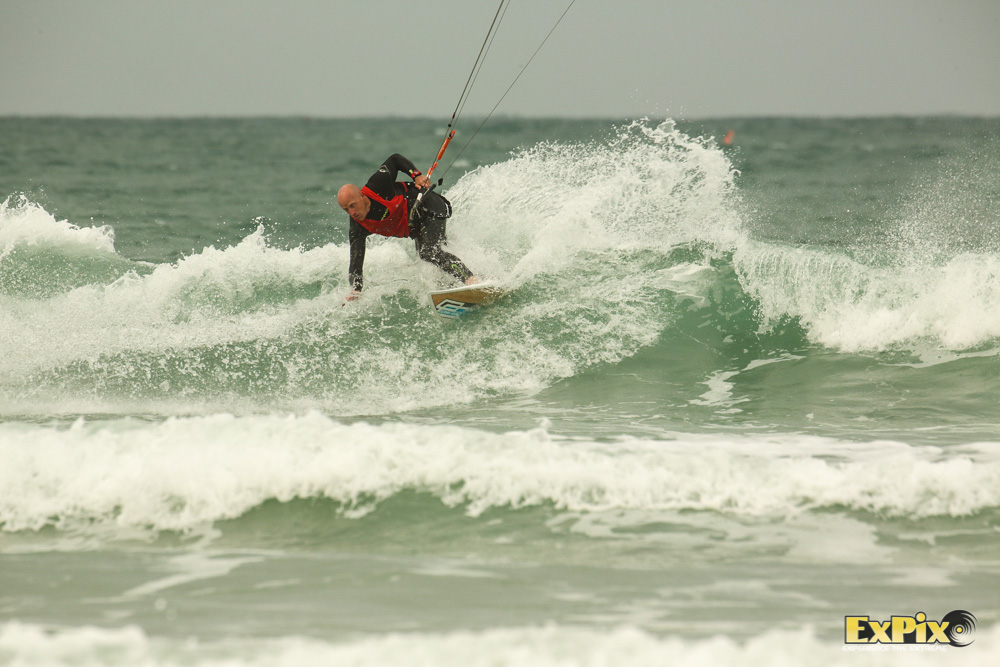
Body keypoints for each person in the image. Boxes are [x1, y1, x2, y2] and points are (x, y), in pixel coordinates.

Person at [337, 154, 478, 301]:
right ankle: (464, 285)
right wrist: (356, 290)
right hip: (416, 227)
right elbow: (356, 262)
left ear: (362, 196)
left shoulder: (378, 186)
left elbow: (395, 159)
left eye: (352, 205)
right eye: (346, 209)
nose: (352, 213)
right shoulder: (357, 227)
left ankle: (471, 280)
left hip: (429, 207)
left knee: (429, 253)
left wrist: (416, 175)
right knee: (430, 259)